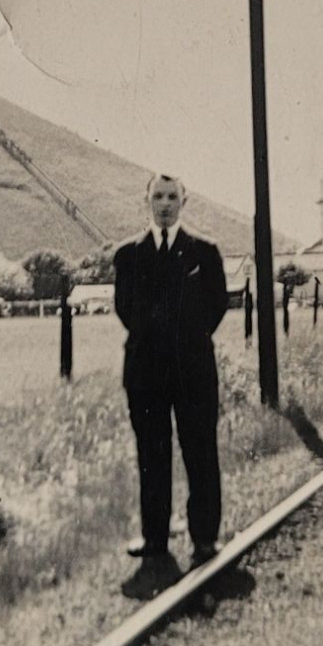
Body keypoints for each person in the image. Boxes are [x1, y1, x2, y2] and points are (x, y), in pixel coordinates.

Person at [114, 174, 229, 601]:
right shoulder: (128, 256)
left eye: (172, 197)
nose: (165, 204)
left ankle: (204, 539)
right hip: (145, 375)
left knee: (200, 451)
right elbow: (126, 309)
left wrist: (185, 343)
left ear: (185, 201)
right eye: (158, 197)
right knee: (152, 456)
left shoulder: (205, 252)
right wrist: (158, 344)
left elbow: (216, 306)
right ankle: (155, 541)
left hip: (193, 372)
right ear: (146, 200)